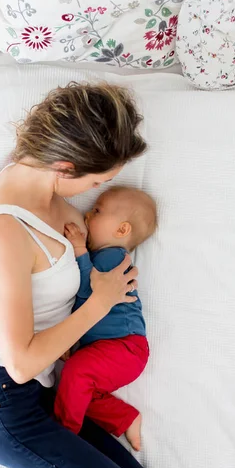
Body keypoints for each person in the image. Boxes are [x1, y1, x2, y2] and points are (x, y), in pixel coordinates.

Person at [0, 82, 162, 468]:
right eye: (98, 180)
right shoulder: (3, 232)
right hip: (2, 402)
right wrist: (103, 302)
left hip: (42, 395)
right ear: (65, 167)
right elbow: (21, 362)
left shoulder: (40, 187)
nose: (94, 197)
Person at [54, 186, 157, 452]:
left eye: (97, 211)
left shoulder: (114, 257)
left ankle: (65, 437)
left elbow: (91, 291)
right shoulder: (105, 258)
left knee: (76, 373)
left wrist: (78, 249)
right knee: (77, 390)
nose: (87, 215)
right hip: (118, 349)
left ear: (122, 230)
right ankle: (124, 418)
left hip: (124, 347)